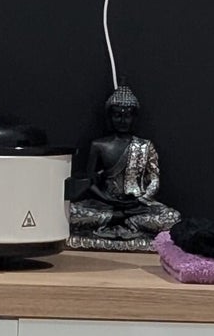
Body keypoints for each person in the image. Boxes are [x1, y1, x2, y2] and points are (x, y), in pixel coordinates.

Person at [66, 86, 179, 250]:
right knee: (71, 213)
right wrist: (107, 200)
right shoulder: (99, 145)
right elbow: (90, 182)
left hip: (137, 205)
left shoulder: (144, 146)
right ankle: (121, 218)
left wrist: (140, 200)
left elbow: (154, 179)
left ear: (134, 118)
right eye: (117, 115)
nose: (122, 121)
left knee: (172, 217)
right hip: (105, 204)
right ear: (109, 117)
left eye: (127, 116)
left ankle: (118, 219)